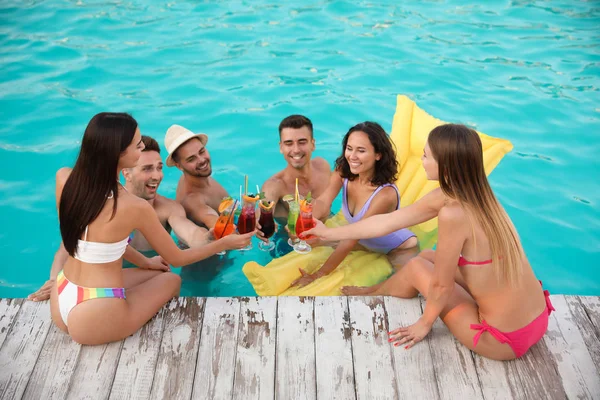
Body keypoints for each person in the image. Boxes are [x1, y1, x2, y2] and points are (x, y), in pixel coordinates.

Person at [302, 124, 553, 360]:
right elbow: (388, 222)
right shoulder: (481, 195)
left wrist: (424, 325)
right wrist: (328, 233)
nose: (421, 161)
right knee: (425, 257)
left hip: (500, 340)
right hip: (539, 319)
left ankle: (372, 291)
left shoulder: (453, 213)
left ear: (444, 165)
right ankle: (381, 288)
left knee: (415, 267)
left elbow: (441, 286)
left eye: (425, 156)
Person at [51, 113, 254, 345]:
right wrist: (223, 243)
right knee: (171, 280)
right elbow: (177, 259)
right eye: (137, 145)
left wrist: (145, 262)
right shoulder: (133, 206)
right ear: (119, 154)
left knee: (155, 271)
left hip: (61, 293)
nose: (141, 148)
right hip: (95, 313)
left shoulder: (65, 178)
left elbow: (89, 241)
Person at [291, 122, 418, 287]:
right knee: (309, 242)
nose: (352, 156)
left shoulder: (384, 195)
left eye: (361, 150)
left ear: (378, 154)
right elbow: (324, 201)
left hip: (398, 248)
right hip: (365, 242)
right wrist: (306, 219)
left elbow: (352, 238)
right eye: (349, 148)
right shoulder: (343, 172)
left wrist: (319, 275)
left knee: (401, 288)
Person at [260, 115, 332, 227]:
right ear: (281, 147)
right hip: (292, 241)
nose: (296, 150)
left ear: (312, 144)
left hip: (330, 228)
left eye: (302, 142)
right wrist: (260, 221)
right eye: (289, 143)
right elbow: (261, 213)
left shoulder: (323, 166)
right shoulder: (275, 186)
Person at [167, 124, 229, 229]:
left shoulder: (196, 175)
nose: (201, 160)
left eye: (202, 151)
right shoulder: (192, 201)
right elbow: (214, 223)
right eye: (191, 159)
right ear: (179, 166)